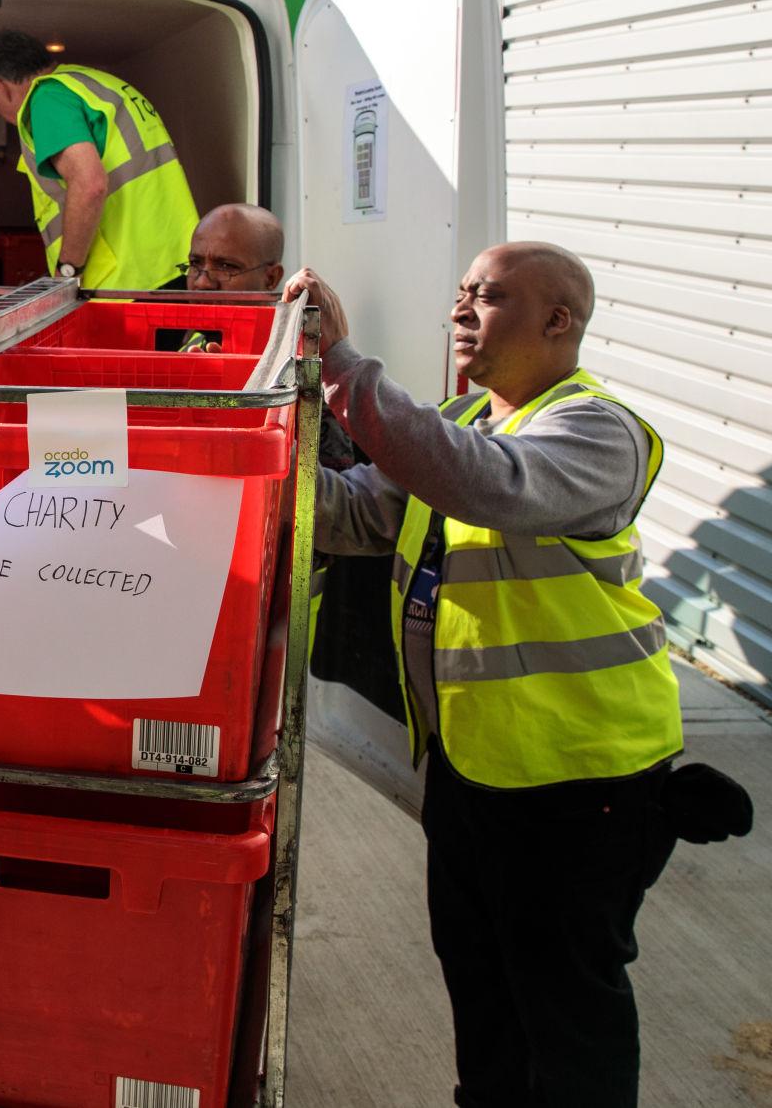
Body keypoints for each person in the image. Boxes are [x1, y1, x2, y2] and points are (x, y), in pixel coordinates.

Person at [286, 242, 687, 1108]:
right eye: (462, 292)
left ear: (558, 321)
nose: (463, 309)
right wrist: (239, 451)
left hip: (583, 781)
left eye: (491, 296)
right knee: (483, 990)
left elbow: (484, 486)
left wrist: (343, 370)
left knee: (567, 1015)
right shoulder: (468, 421)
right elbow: (356, 512)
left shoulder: (595, 430)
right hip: (476, 771)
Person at [0, 29, 198, 290]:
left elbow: (90, 185)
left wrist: (68, 270)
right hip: (173, 263)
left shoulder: (47, 98)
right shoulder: (97, 84)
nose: (3, 115)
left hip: (127, 280)